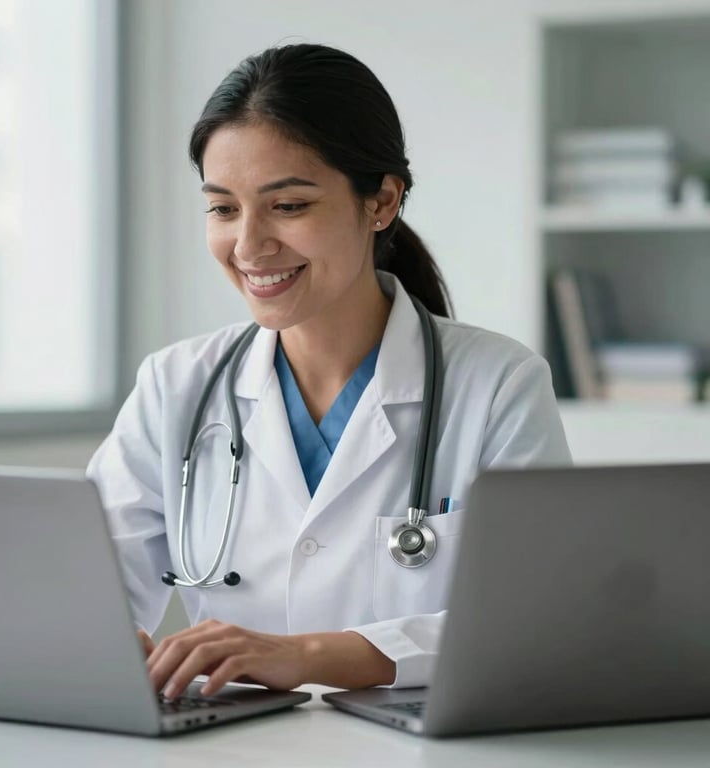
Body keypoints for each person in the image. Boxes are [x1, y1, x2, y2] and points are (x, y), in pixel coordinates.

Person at [87, 43, 571, 701]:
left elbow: (538, 619)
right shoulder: (176, 386)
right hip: (231, 749)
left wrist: (308, 656)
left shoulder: (497, 386)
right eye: (224, 208)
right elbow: (88, 596)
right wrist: (104, 649)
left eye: (288, 206)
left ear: (382, 202)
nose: (249, 244)